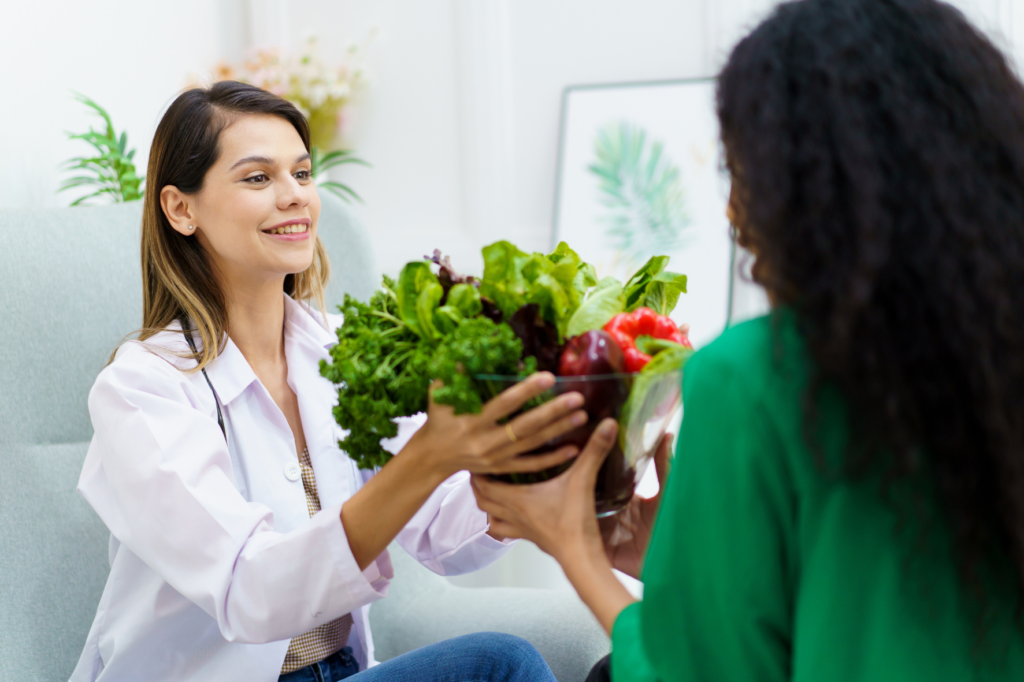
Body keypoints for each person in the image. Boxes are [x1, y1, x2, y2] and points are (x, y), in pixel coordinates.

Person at [471, 0, 1024, 680]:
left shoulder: (754, 377)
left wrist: (576, 549)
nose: (734, 214)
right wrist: (686, 567)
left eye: (741, 174)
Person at [69, 81, 584, 682]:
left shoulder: (342, 351)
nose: (295, 197)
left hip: (341, 670)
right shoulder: (141, 389)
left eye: (303, 173)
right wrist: (428, 455)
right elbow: (247, 587)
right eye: (258, 178)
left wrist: (533, 454)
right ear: (182, 209)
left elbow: (445, 532)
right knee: (501, 666)